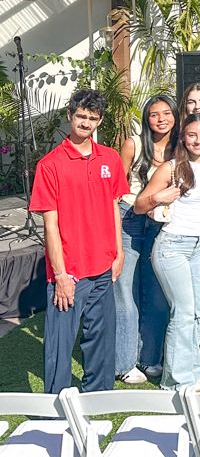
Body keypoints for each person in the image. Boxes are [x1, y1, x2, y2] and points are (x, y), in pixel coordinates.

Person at [31, 89, 128, 393]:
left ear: (99, 121)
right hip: (69, 270)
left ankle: (97, 396)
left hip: (103, 264)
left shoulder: (110, 158)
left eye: (93, 117)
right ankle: (56, 406)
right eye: (81, 116)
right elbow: (50, 224)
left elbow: (113, 205)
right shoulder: (50, 164)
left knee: (101, 337)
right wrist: (60, 274)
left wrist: (119, 252)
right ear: (70, 116)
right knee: (60, 344)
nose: (86, 122)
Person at [135, 113, 200, 390]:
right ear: (183, 137)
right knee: (184, 312)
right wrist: (158, 198)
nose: (198, 140)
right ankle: (175, 381)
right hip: (172, 247)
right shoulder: (170, 168)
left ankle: (192, 369)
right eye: (192, 135)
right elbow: (140, 205)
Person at [114, 95, 174, 384]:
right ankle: (124, 362)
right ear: (146, 118)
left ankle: (150, 358)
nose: (160, 119)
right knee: (126, 291)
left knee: (156, 292)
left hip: (164, 222)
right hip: (130, 217)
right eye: (154, 114)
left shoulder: (182, 146)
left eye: (166, 113)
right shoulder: (133, 144)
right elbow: (115, 186)